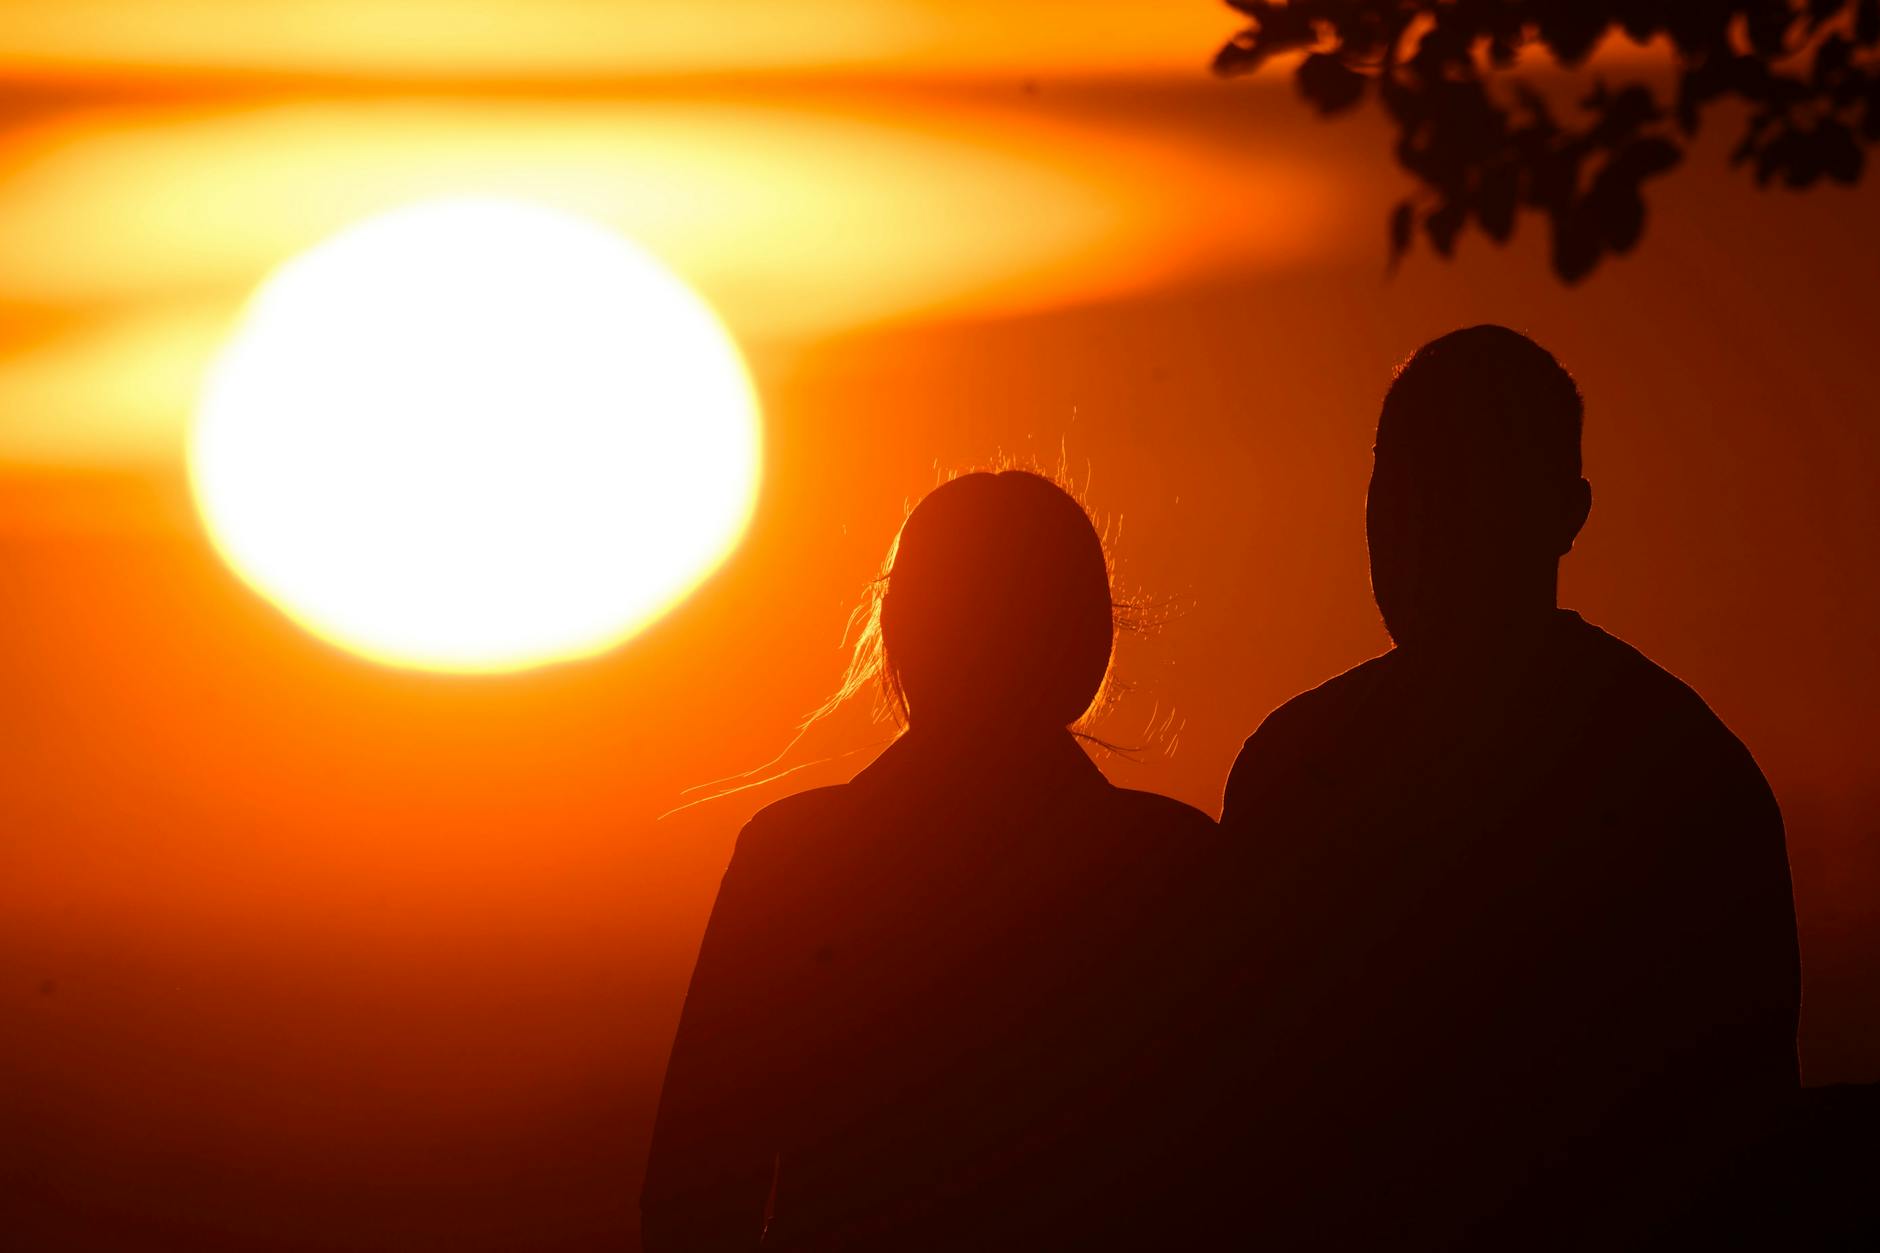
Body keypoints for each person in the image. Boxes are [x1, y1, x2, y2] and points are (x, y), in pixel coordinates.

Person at [1220, 326, 1801, 1250]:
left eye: (1458, 485)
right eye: (1395, 482)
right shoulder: (1686, 764)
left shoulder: (1677, 785)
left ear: (1565, 514)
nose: (1412, 523)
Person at [642, 470, 1232, 1252]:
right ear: (1094, 640)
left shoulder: (794, 857)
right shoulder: (1173, 863)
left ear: (898, 629)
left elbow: (696, 1187)